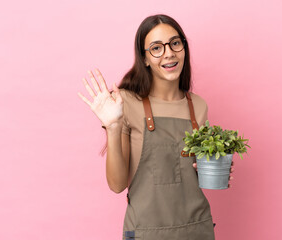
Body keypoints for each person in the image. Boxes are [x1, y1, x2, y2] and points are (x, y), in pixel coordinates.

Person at [78, 14, 234, 240]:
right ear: (145, 59)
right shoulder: (126, 102)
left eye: (175, 43)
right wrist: (112, 126)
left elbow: (192, 174)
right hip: (145, 232)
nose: (169, 53)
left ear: (183, 48)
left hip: (197, 230)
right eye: (156, 48)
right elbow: (117, 184)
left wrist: (215, 168)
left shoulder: (198, 107)